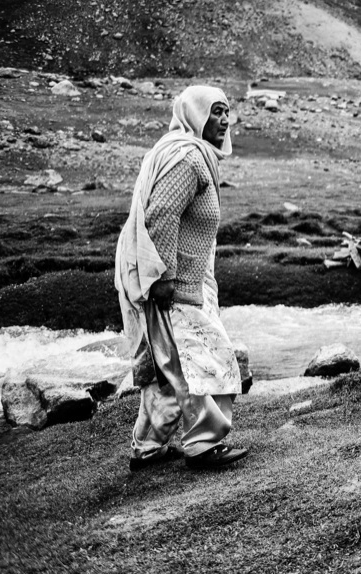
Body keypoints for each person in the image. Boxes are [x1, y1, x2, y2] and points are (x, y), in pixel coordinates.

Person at [115, 84, 248, 472]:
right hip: (172, 281)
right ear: (194, 114)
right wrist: (164, 278)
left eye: (227, 112)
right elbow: (162, 215)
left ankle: (148, 446)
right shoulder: (187, 159)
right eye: (215, 112)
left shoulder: (189, 152)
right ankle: (203, 444)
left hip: (179, 276)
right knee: (199, 359)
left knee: (166, 365)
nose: (224, 120)